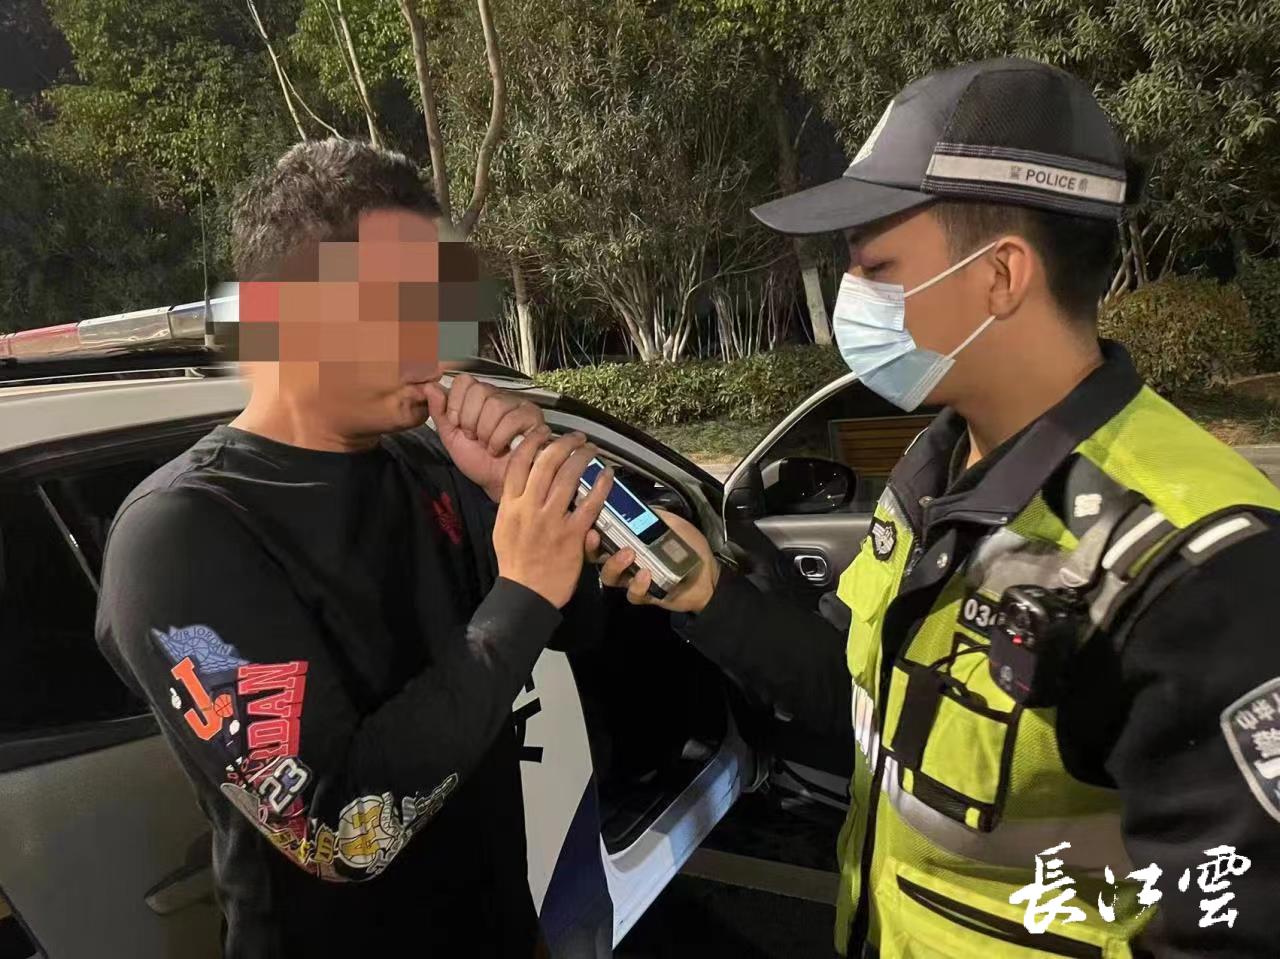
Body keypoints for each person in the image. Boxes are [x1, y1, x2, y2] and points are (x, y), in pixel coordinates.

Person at [596, 59, 1280, 957]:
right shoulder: (938, 461)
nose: (854, 292)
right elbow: (858, 694)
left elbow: (1233, 925)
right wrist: (706, 595)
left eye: (877, 265)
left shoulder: (1197, 561)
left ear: (1001, 274)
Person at [95, 138, 614, 957]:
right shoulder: (182, 531)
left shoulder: (430, 465)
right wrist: (522, 591)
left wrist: (510, 489)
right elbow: (340, 828)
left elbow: (575, 629)